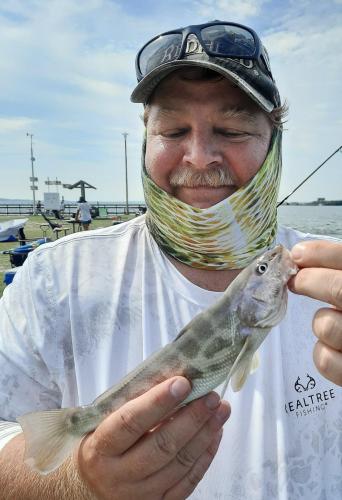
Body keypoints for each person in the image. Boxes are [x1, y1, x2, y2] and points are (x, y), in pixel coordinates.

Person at [0, 21, 341, 499]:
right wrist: (78, 481)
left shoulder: (332, 279)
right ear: (146, 140)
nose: (200, 157)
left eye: (233, 128)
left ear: (274, 141)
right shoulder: (50, 282)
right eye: (174, 129)